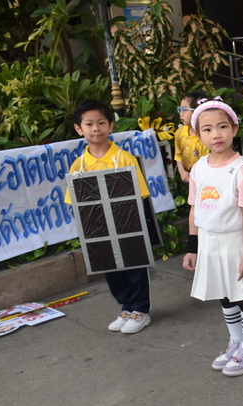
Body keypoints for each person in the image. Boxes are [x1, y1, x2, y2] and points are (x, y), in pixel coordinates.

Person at [182, 99, 243, 376]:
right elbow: (194, 209)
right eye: (207, 129)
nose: (216, 134)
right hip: (208, 242)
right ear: (197, 134)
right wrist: (193, 247)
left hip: (234, 243)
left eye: (222, 127)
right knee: (224, 296)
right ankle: (236, 343)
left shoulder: (242, 169)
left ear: (234, 129)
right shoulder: (198, 168)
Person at [65, 99, 152, 334]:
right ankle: (127, 307)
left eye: (101, 123)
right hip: (98, 230)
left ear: (111, 125)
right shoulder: (78, 166)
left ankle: (140, 310)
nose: (96, 129)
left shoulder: (124, 159)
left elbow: (140, 195)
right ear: (79, 129)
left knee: (134, 267)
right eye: (89, 124)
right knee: (111, 270)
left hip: (128, 225)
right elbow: (75, 203)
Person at [174, 90, 209, 183]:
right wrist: (182, 172)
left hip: (205, 178)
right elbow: (178, 155)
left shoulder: (205, 136)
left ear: (198, 111)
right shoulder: (179, 133)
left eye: (184, 110)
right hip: (188, 177)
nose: (181, 114)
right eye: (180, 109)